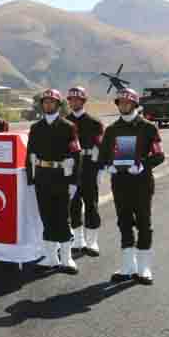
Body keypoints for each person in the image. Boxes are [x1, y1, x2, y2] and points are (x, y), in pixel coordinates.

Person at [99, 88, 165, 285]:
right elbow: (103, 155)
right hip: (120, 183)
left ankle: (144, 267)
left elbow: (159, 155)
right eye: (120, 103)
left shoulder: (148, 128)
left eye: (127, 103)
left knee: (144, 222)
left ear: (135, 105)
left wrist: (143, 165)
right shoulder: (111, 130)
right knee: (124, 222)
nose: (123, 106)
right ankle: (128, 266)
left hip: (142, 183)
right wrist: (109, 165)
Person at [25, 89, 82, 274]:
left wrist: (74, 182)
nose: (48, 105)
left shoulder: (68, 126)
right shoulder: (35, 128)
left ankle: (66, 258)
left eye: (52, 102)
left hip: (61, 177)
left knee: (62, 218)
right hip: (42, 176)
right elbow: (29, 155)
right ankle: (51, 257)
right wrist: (30, 179)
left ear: (58, 105)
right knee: (46, 217)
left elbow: (76, 154)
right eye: (45, 102)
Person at [65, 87, 105, 257]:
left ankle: (92, 241)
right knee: (73, 204)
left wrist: (101, 169)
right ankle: (78, 239)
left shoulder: (94, 122)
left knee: (91, 203)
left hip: (89, 166)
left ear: (83, 101)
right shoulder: (65, 122)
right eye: (71, 100)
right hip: (72, 167)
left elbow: (102, 147)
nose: (74, 102)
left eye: (77, 100)